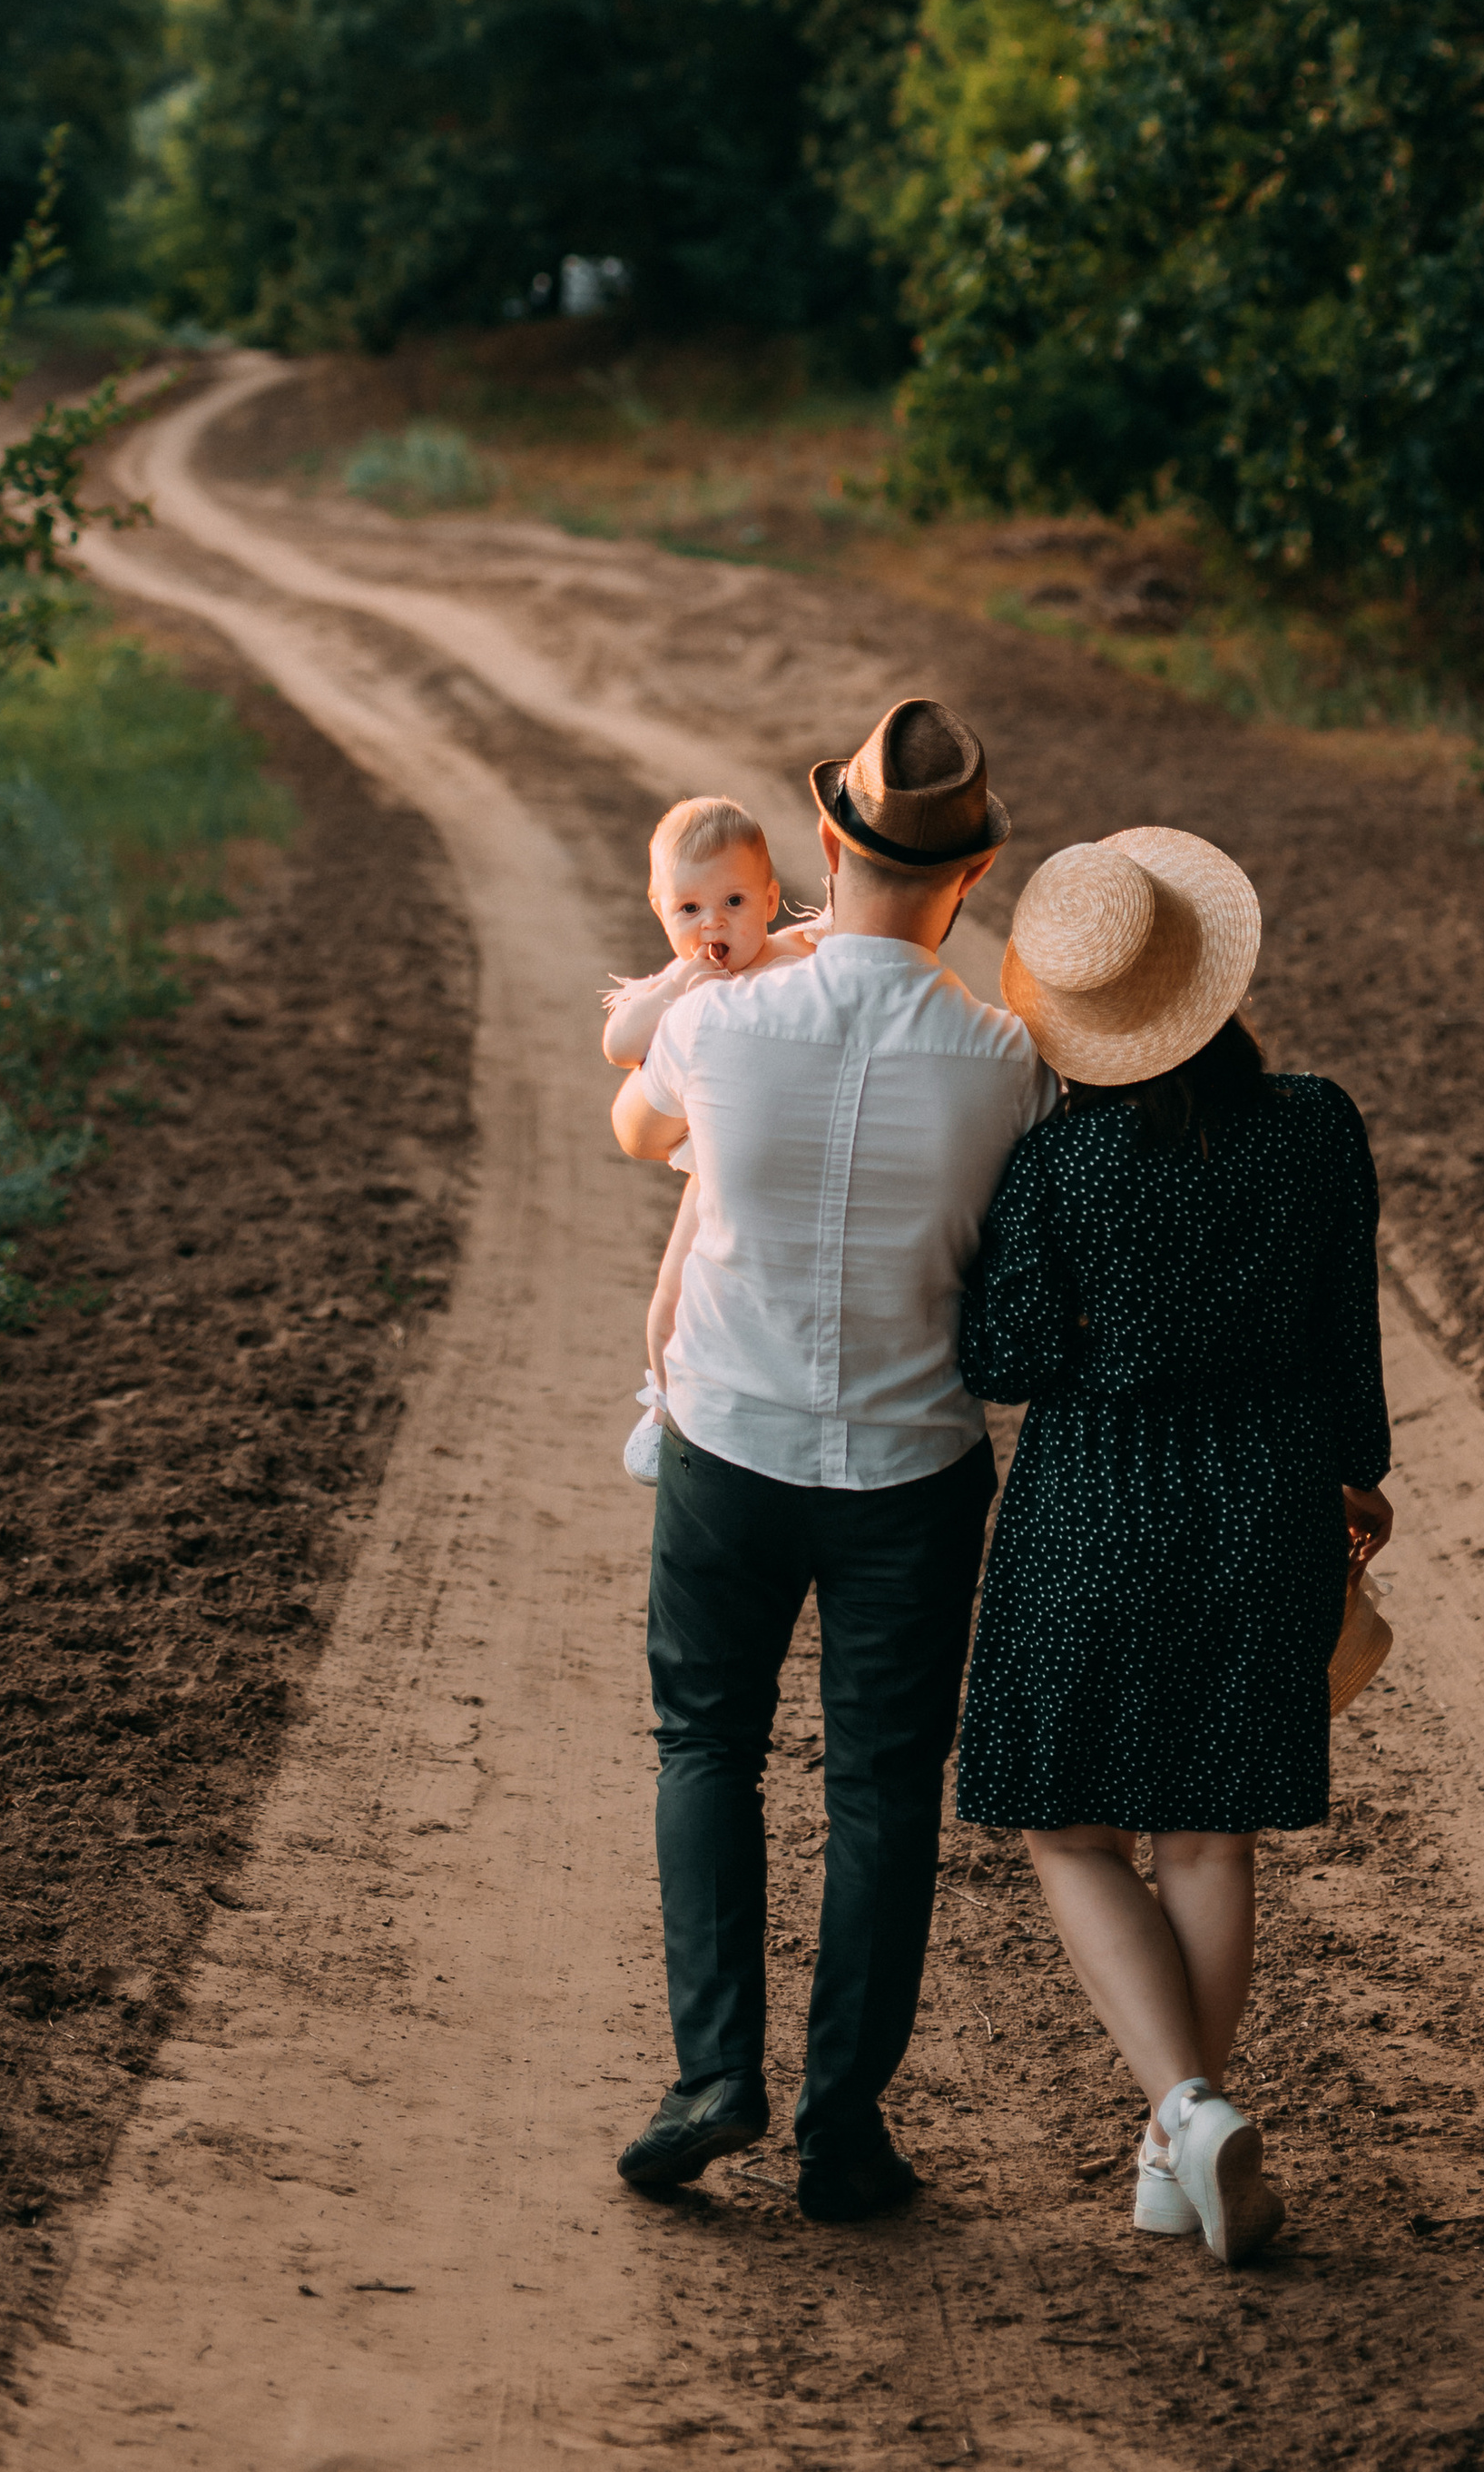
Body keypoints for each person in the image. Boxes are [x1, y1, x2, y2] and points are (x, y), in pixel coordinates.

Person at [607, 701, 1058, 2221]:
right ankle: (840, 2131)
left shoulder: (714, 1021)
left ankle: (710, 2073)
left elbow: (638, 1122)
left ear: (821, 844)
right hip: (913, 1471)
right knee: (879, 1793)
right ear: (975, 868)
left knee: (705, 1746)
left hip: (728, 1442)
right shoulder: (1009, 1063)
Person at [952, 828, 1391, 2266]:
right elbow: (1344, 1333)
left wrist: (1084, 1324)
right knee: (1207, 1829)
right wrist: (1354, 1477)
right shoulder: (1318, 1123)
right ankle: (1172, 2149)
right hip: (1265, 1493)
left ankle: (1186, 2107)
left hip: (1097, 1499)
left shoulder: (1058, 1162)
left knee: (1064, 1819)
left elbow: (1003, 1353)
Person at [601, 797, 819, 1474]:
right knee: (673, 1288)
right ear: (660, 909)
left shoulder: (795, 954)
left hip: (783, 1149)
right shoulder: (679, 981)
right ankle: (664, 1403)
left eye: (732, 900)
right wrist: (675, 990)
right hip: (714, 1161)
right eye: (687, 910)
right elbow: (618, 1043)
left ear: (771, 897)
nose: (712, 924)